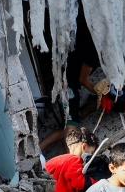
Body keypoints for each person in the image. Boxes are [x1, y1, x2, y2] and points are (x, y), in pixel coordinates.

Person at [40, 19, 100, 152]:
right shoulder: (94, 53)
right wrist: (100, 93)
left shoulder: (89, 38)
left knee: (66, 127)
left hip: (66, 81)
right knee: (72, 125)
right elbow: (83, 79)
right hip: (67, 86)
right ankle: (70, 161)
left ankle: (37, 151)